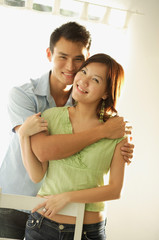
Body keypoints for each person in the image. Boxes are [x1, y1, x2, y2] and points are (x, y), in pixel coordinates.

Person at [0, 22, 134, 239]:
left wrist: (115, 140)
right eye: (63, 56)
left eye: (78, 60)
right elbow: (43, 152)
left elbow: (115, 188)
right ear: (49, 54)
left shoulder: (87, 100)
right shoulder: (25, 97)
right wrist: (103, 133)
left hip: (75, 217)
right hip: (16, 202)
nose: (71, 67)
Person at [19, 53, 128, 240]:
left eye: (95, 79)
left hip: (88, 232)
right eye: (83, 72)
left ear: (106, 92)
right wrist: (23, 136)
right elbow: (37, 174)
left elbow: (115, 190)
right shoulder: (51, 116)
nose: (83, 81)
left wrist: (68, 197)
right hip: (42, 226)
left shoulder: (116, 132)